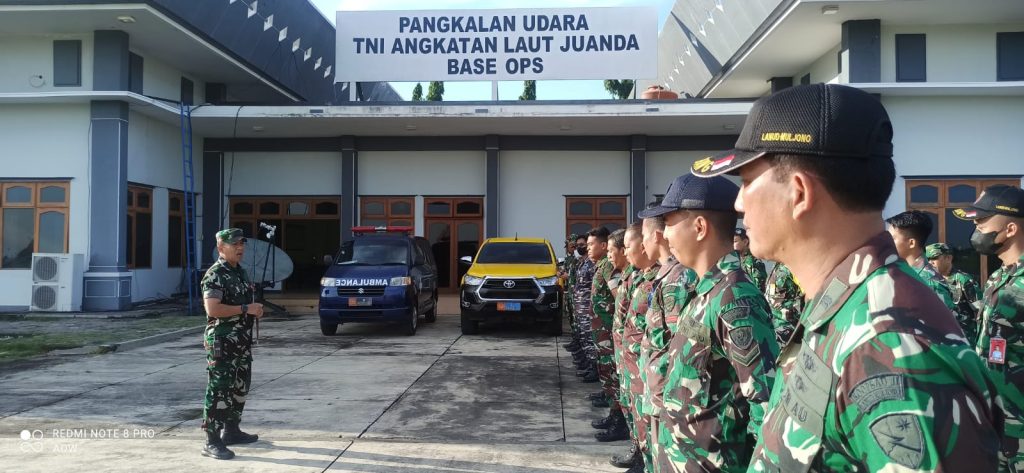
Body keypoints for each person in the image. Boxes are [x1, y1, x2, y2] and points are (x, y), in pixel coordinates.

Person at [693, 83, 1005, 471]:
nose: (739, 203)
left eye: (746, 181)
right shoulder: (843, 306)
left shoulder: (892, 348)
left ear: (799, 193)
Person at [650, 174, 779, 473]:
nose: (664, 235)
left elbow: (767, 407)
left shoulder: (735, 299)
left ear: (699, 227)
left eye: (669, 222)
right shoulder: (706, 290)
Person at [957, 184, 1024, 471]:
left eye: (983, 220)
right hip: (995, 422)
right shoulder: (998, 277)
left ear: (1011, 229)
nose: (976, 226)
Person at [636, 201, 699, 471]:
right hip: (657, 389)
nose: (641, 244)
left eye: (644, 235)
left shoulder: (677, 279)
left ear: (657, 236)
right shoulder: (666, 275)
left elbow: (677, 343)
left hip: (667, 395)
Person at [200, 228, 265, 460]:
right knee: (220, 389)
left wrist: (254, 310)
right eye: (234, 244)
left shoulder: (240, 272)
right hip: (222, 341)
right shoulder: (215, 274)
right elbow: (213, 309)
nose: (240, 248)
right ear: (221, 247)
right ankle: (211, 440)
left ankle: (232, 430)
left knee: (240, 386)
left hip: (241, 341)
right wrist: (246, 308)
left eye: (242, 243)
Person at [609, 222, 658, 473]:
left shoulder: (660, 280)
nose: (625, 252)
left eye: (628, 246)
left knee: (645, 418)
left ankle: (645, 461)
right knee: (633, 411)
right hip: (628, 359)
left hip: (642, 364)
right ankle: (638, 452)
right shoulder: (639, 275)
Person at [885, 210, 958, 313]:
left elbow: (946, 321)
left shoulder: (930, 282)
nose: (888, 243)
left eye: (892, 238)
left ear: (911, 243)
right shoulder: (903, 272)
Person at [926, 242, 981, 343]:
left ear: (948, 258)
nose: (930, 262)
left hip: (964, 338)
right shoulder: (930, 281)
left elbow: (980, 311)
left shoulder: (963, 279)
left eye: (934, 258)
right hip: (941, 338)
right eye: (928, 259)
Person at [764, 262, 804, 347]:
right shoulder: (777, 266)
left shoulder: (792, 266)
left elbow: (810, 295)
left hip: (790, 333)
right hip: (775, 329)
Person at [733, 227, 767, 293]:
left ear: (745, 242)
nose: (732, 245)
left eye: (735, 241)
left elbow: (759, 287)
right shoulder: (740, 259)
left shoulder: (752, 261)